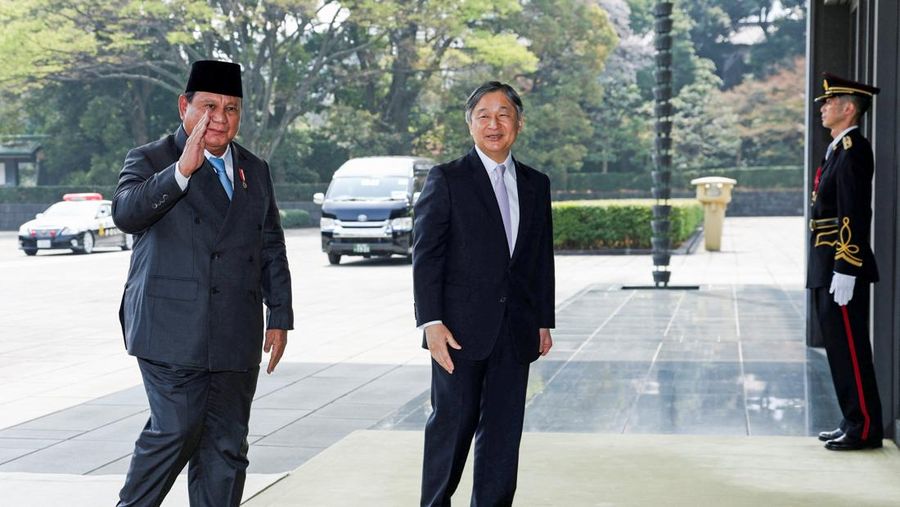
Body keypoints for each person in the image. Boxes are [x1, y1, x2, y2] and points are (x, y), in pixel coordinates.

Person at [112, 60, 294, 505]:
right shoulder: (151, 158)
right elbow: (126, 213)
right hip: (171, 328)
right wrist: (180, 172)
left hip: (235, 329)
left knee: (226, 448)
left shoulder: (256, 168)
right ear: (184, 107)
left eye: (231, 108)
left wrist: (281, 315)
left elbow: (270, 243)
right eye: (209, 105)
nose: (220, 118)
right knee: (176, 429)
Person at [413, 81, 555, 506]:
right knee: (451, 429)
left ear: (518, 122)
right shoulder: (447, 179)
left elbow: (539, 259)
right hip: (458, 333)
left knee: (503, 433)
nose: (494, 124)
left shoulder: (536, 183)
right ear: (470, 123)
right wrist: (430, 323)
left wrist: (543, 320)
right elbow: (426, 256)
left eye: (504, 114)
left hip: (515, 332)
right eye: (484, 116)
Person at [809, 73, 883, 451]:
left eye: (829, 102)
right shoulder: (838, 147)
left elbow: (854, 211)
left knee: (851, 348)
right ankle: (851, 419)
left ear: (848, 108)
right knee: (838, 348)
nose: (822, 107)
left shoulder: (854, 149)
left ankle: (865, 427)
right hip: (826, 261)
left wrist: (846, 265)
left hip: (840, 263)